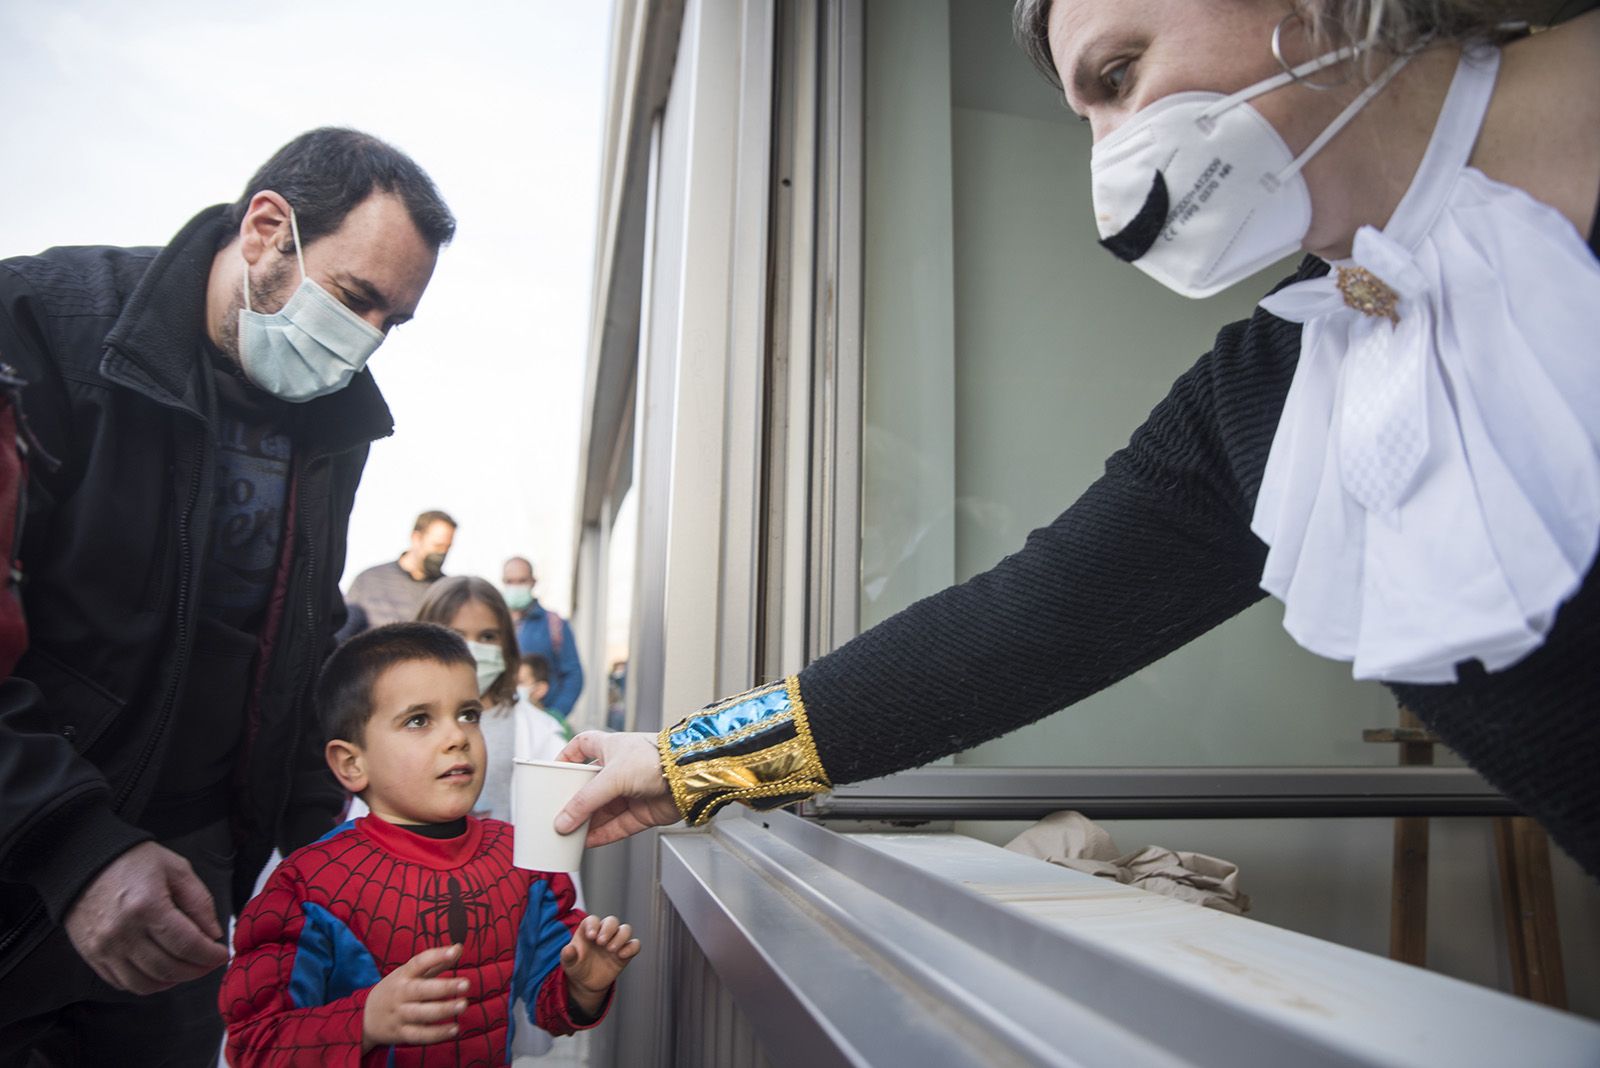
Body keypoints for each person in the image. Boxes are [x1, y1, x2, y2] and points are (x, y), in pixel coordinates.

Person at [552, 1, 1600, 883]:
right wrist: (691, 763)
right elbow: (1018, 628)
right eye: (1086, 117)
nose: (1110, 159)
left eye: (1120, 74)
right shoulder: (1288, 374)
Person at [0, 127, 456, 1063]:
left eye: (393, 322)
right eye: (354, 298)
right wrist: (70, 846)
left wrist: (325, 834)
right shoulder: (37, 325)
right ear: (265, 230)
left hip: (195, 874)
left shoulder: (335, 419)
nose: (366, 341)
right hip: (28, 854)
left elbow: (297, 636)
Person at [220, 622, 637, 1064]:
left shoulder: (521, 857)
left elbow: (549, 1000)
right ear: (351, 763)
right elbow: (255, 1043)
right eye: (418, 720)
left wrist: (582, 987)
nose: (457, 737)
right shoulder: (306, 885)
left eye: (469, 714)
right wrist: (363, 1021)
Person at [415, 577, 568, 824]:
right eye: (456, 636)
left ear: (506, 644)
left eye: (487, 637)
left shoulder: (540, 732)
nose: (473, 649)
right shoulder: (398, 719)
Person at [345, 509, 459, 630]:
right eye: (437, 546)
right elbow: (346, 628)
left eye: (447, 547)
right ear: (416, 538)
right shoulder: (369, 580)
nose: (442, 553)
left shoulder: (448, 591)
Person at [502, 556, 584, 718]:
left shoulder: (554, 624)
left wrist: (555, 715)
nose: (516, 587)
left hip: (540, 715)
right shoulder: (494, 623)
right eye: (510, 581)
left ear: (533, 582)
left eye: (522, 581)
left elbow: (573, 674)